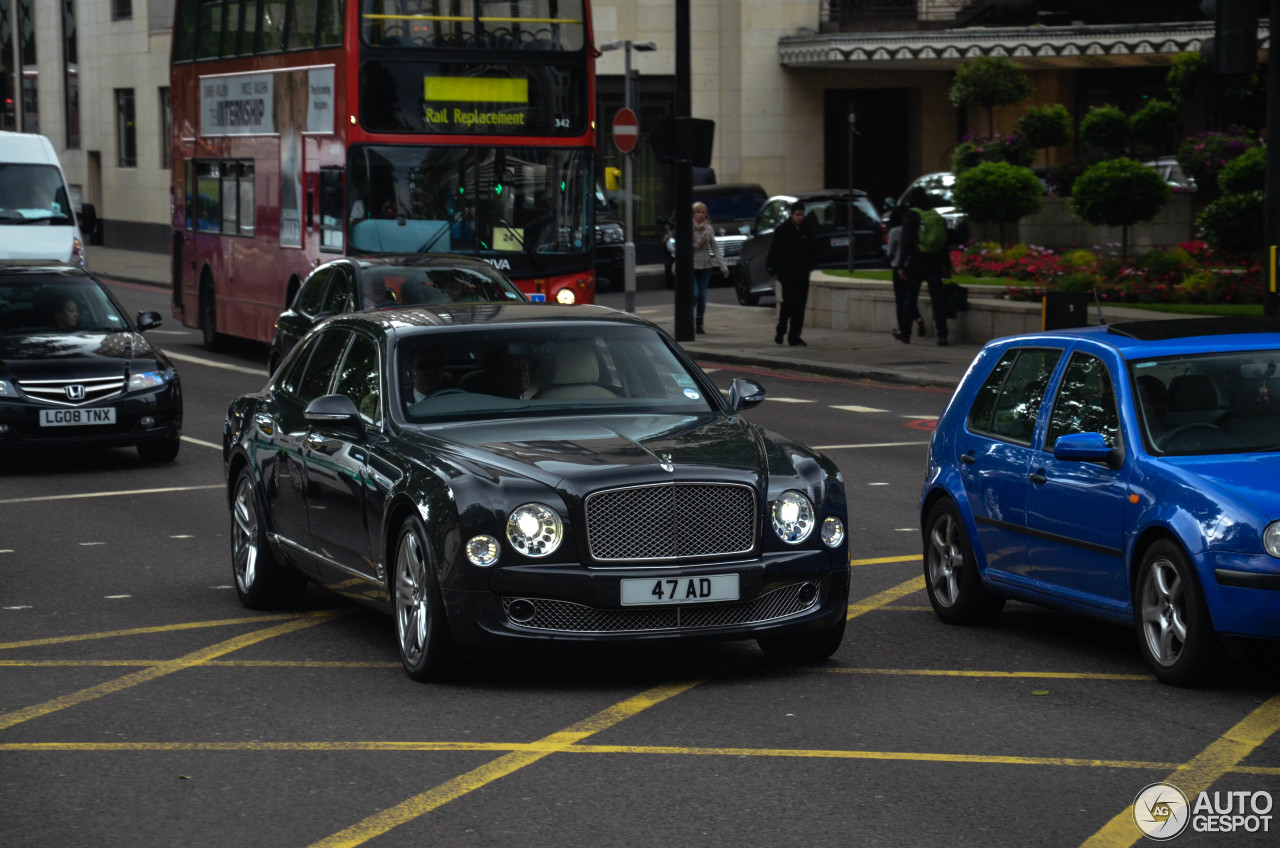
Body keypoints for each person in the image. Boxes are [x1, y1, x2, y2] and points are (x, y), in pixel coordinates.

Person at [896, 187, 952, 346]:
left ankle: (905, 333)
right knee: (937, 298)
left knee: (911, 297)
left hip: (916, 262)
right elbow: (944, 243)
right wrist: (947, 265)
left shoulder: (911, 215)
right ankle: (942, 335)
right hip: (935, 262)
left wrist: (902, 264)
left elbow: (906, 241)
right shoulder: (935, 216)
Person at [766, 201, 817, 347]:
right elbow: (774, 251)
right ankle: (781, 329)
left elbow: (813, 250)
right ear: (791, 214)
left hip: (802, 273)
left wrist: (811, 265)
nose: (800, 218)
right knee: (789, 302)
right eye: (797, 215)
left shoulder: (807, 230)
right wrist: (772, 270)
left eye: (801, 215)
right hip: (787, 273)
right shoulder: (783, 231)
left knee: (800, 306)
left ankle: (795, 336)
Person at [885, 207, 926, 342]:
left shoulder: (894, 231)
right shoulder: (913, 228)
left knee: (901, 299)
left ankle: (903, 328)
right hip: (913, 265)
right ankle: (918, 319)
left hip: (899, 266)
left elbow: (890, 251)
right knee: (910, 296)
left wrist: (892, 261)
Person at [690, 201, 729, 334]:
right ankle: (689, 317)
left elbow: (715, 247)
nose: (700, 215)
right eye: (697, 212)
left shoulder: (709, 228)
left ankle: (699, 322)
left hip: (706, 265)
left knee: (702, 295)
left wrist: (723, 266)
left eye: (703, 212)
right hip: (692, 265)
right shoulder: (689, 227)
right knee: (694, 294)